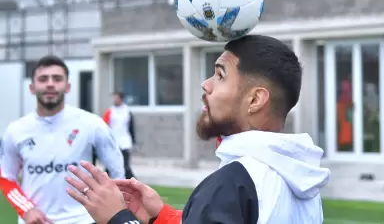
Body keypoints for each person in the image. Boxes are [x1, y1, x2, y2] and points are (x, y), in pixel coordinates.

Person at [65, 35, 331, 224]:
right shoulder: (302, 179)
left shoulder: (234, 183)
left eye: (220, 75)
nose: (206, 84)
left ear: (255, 100)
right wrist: (162, 217)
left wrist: (117, 218)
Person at [0, 55, 125, 224]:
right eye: (43, 79)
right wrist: (26, 209)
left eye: (57, 79)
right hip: (35, 221)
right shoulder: (15, 131)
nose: (50, 83)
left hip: (84, 220)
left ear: (67, 87)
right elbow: (7, 178)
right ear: (31, 87)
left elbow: (118, 173)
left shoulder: (92, 124)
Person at [102, 91, 136, 179]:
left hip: (124, 141)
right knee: (109, 165)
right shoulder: (110, 111)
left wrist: (133, 141)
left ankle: (134, 183)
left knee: (125, 166)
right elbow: (103, 126)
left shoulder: (127, 111)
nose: (114, 99)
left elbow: (131, 127)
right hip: (113, 142)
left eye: (116, 97)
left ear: (121, 99)